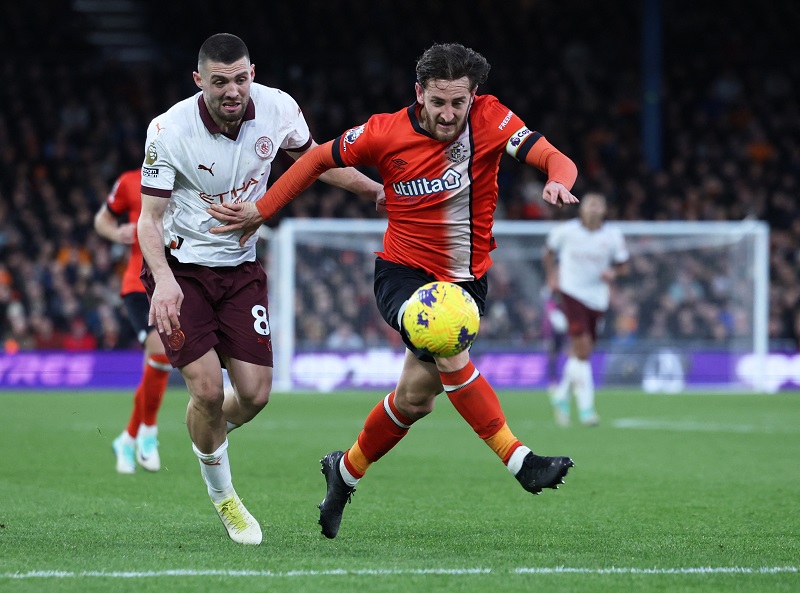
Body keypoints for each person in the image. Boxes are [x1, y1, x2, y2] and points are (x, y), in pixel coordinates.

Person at [208, 42, 578, 539]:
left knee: (413, 400)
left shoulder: (492, 119)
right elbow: (316, 158)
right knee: (446, 334)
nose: (448, 114)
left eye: (458, 103)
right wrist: (262, 209)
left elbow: (555, 157)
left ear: (474, 98)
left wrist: (557, 180)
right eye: (439, 101)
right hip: (402, 275)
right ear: (419, 93)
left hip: (467, 279)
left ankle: (343, 472)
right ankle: (520, 460)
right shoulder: (383, 131)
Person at [137, 33, 383, 545]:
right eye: (220, 80)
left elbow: (315, 161)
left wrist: (376, 190)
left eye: (242, 77)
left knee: (254, 394)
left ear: (254, 72)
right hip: (183, 269)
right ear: (199, 80)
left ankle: (206, 438)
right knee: (206, 389)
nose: (233, 90)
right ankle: (224, 495)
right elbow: (149, 219)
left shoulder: (278, 108)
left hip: (241, 267)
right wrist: (162, 282)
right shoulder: (168, 130)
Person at [94, 169, 172, 474]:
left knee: (156, 368)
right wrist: (116, 233)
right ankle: (148, 434)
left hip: (177, 283)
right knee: (161, 354)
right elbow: (102, 219)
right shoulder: (129, 181)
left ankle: (127, 439)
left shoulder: (188, 175)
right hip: (138, 285)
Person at [543, 192, 630, 427]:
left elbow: (623, 266)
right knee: (581, 348)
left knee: (584, 352)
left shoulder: (612, 236)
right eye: (589, 205)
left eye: (597, 205)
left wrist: (613, 272)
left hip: (597, 298)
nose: (592, 209)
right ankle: (587, 409)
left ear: (604, 210)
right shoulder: (566, 231)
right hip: (571, 293)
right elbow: (549, 253)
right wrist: (552, 276)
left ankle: (561, 396)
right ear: (582, 210)